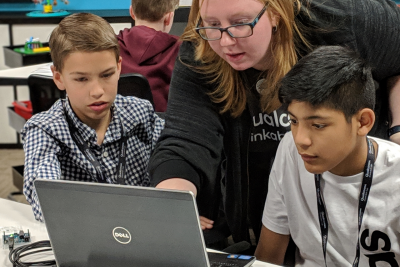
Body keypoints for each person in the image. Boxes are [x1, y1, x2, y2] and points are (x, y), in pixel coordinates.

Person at [148, 0, 400, 247]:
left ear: (276, 12)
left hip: (363, 207)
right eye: (212, 24)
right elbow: (186, 137)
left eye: (241, 23)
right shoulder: (201, 48)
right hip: (268, 215)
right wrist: (173, 201)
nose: (225, 41)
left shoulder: (346, 18)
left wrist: (397, 128)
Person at [254, 45, 400, 266]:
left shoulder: (395, 176)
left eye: (319, 125)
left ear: (363, 122)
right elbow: (267, 257)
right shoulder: (290, 150)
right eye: (293, 121)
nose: (301, 139)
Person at [22, 13, 164, 222]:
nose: (97, 91)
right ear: (58, 78)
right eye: (81, 79)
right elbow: (46, 198)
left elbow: (173, 158)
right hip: (85, 242)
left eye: (106, 75)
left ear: (118, 67)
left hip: (147, 234)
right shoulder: (45, 129)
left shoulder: (141, 113)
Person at [117, 0, 181, 112]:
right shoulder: (182, 49)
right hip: (167, 126)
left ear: (132, 12)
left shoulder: (111, 47)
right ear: (168, 18)